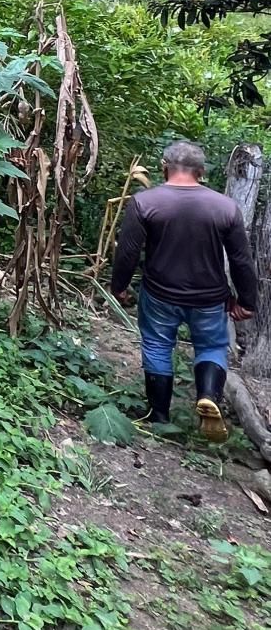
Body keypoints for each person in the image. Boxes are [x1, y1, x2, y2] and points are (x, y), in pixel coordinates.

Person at [110, 139, 257, 441]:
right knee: (212, 347)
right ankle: (208, 396)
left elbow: (127, 251)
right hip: (210, 298)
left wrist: (120, 286)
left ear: (164, 167)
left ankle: (159, 415)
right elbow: (242, 259)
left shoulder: (145, 202)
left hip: (159, 294)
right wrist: (247, 301)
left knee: (157, 345)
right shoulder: (225, 207)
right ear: (201, 172)